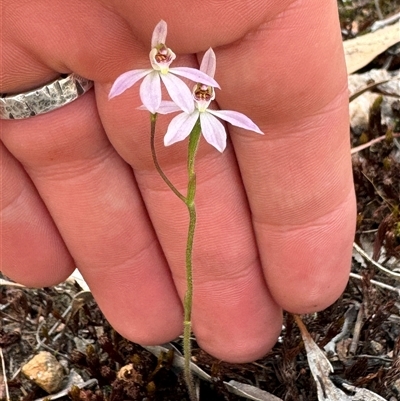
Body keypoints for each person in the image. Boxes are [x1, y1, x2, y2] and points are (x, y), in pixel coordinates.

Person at [1, 0, 356, 363]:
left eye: (165, 54)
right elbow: (157, 100)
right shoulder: (151, 85)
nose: (162, 55)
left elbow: (202, 92)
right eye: (160, 54)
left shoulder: (193, 89)